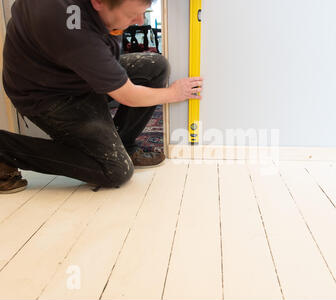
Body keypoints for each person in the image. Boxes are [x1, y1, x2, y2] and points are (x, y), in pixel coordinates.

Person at [0, 0, 203, 193]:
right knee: (115, 170)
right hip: (47, 94)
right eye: (132, 14)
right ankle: (5, 149)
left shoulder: (93, 16)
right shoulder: (72, 30)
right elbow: (128, 95)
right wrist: (174, 93)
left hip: (72, 71)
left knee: (155, 68)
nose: (141, 21)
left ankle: (124, 144)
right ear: (98, 2)